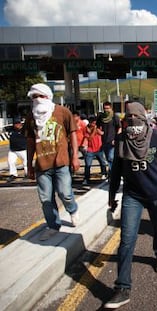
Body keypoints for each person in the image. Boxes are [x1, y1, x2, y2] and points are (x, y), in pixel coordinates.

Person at [105, 102, 157, 309]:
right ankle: (122, 288)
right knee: (126, 239)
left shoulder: (156, 137)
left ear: (143, 118)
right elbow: (116, 170)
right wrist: (112, 194)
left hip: (155, 194)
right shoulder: (122, 139)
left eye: (136, 117)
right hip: (132, 196)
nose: (132, 121)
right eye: (128, 118)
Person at [24, 83, 80, 241]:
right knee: (46, 199)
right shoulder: (31, 117)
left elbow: (73, 134)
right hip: (42, 166)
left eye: (41, 96)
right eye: (34, 96)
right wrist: (29, 165)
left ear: (48, 96)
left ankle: (73, 210)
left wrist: (75, 156)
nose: (38, 99)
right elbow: (29, 142)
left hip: (61, 163)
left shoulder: (62, 112)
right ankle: (53, 226)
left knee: (65, 194)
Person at [97, 101, 121, 176]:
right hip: (104, 141)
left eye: (108, 108)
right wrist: (100, 132)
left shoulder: (114, 117)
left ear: (111, 108)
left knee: (111, 157)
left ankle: (113, 174)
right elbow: (97, 127)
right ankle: (112, 173)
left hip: (112, 141)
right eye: (105, 108)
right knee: (108, 158)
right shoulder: (101, 117)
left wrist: (116, 138)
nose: (106, 110)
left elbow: (119, 128)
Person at [81, 115, 108, 185]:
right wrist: (94, 130)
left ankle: (104, 173)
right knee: (88, 165)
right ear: (90, 122)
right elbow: (89, 138)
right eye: (93, 123)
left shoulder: (98, 127)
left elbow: (102, 133)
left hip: (99, 148)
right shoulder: (86, 129)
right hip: (90, 149)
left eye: (95, 123)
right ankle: (86, 178)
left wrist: (97, 129)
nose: (94, 125)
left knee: (102, 162)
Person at [7, 117, 27, 182]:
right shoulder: (11, 130)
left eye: (18, 123)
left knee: (26, 163)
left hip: (23, 149)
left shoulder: (24, 130)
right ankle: (13, 174)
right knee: (11, 162)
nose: (17, 125)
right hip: (13, 150)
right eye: (16, 123)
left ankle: (28, 174)